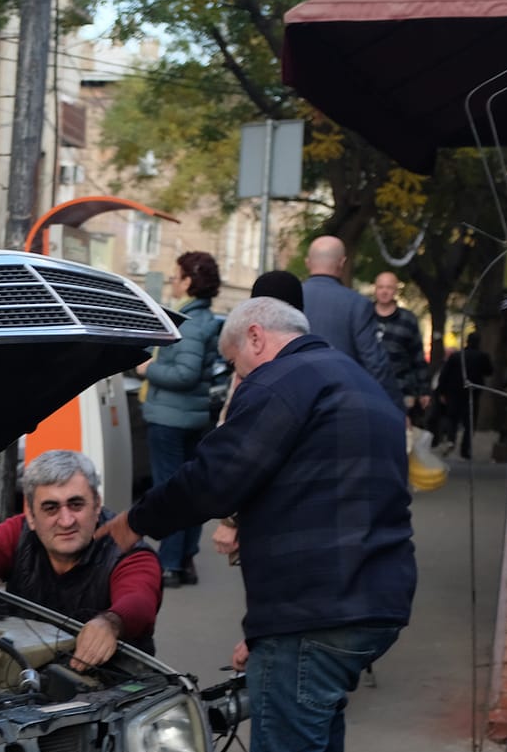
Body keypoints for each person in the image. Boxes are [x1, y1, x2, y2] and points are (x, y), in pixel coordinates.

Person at [99, 297, 416, 752]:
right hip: (372, 601)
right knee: (318, 730)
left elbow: (218, 474)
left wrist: (135, 522)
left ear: (256, 339)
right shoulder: (357, 383)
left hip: (315, 609)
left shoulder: (281, 381)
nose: (233, 380)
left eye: (232, 362)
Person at [0, 450, 161, 671]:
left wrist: (111, 623)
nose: (65, 521)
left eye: (76, 504)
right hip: (23, 674)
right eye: (51, 508)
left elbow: (139, 602)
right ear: (32, 517)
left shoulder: (129, 551)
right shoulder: (19, 532)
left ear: (96, 506)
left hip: (113, 682)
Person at [134, 251, 223, 587]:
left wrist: (148, 369)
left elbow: (185, 373)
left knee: (170, 491)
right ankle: (184, 560)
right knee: (189, 491)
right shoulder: (202, 319)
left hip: (171, 418)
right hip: (189, 417)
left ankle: (169, 562)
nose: (172, 279)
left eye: (176, 274)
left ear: (188, 281)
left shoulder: (191, 323)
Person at [210, 271, 305, 563]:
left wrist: (229, 520)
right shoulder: (311, 359)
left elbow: (240, 451)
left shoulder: (255, 374)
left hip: (265, 514)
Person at [301, 236, 402, 411]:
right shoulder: (357, 304)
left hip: (293, 399)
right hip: (339, 404)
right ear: (342, 262)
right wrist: (395, 405)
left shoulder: (289, 298)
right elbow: (374, 361)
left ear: (307, 262)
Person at [372, 271, 432, 425]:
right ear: (375, 289)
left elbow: (418, 356)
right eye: (381, 287)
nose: (384, 291)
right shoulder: (363, 316)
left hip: (402, 389)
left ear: (395, 291)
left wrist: (424, 390)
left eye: (389, 287)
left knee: (400, 433)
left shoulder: (408, 319)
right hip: (369, 387)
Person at [430, 331, 496, 459]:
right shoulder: (482, 357)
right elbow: (489, 371)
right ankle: (465, 449)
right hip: (472, 393)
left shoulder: (456, 356)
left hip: (454, 392)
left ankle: (451, 440)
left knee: (453, 419)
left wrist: (441, 391)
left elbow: (445, 374)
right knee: (469, 422)